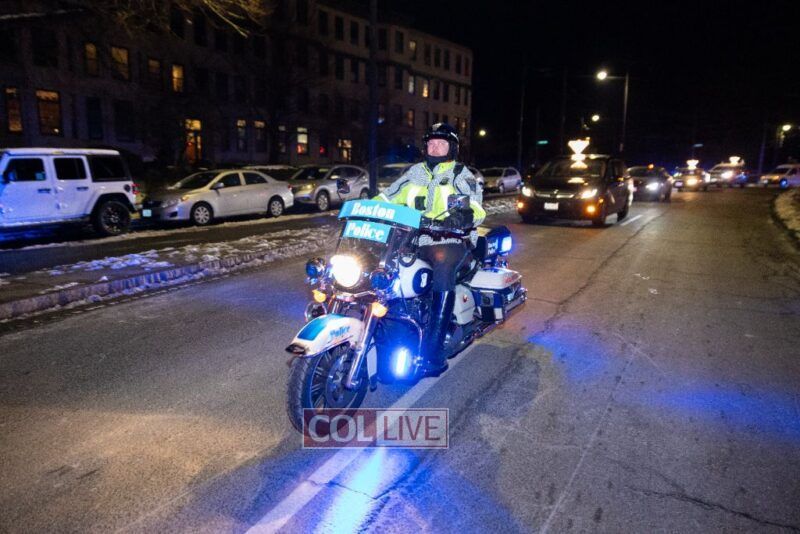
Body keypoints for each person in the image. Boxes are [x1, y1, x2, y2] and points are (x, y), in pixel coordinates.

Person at [377, 123, 486, 376]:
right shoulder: (415, 173)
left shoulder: (461, 175)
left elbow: (477, 207)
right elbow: (387, 197)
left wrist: (461, 217)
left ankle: (433, 349)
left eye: (441, 143)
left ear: (452, 148)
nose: (435, 147)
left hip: (451, 240)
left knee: (443, 266)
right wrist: (363, 207)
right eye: (431, 143)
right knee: (381, 267)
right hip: (414, 241)